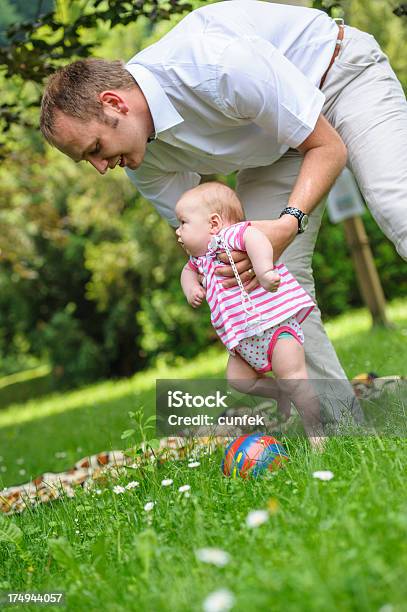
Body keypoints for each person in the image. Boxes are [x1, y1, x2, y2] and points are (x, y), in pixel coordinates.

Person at [39, 1, 407, 419]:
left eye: (96, 150)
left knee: (397, 207)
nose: (101, 168)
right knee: (255, 275)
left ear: (115, 104)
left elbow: (327, 147)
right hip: (275, 146)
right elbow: (211, 249)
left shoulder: (213, 66)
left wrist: (289, 224)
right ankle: (341, 426)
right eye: (88, 161)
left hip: (340, 76)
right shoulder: (142, 162)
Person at [176, 181, 324, 448]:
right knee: (238, 380)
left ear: (213, 223)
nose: (177, 231)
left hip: (274, 328)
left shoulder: (228, 236)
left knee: (293, 377)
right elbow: (186, 273)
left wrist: (264, 269)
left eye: (183, 223)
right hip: (243, 342)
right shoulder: (198, 260)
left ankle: (317, 433)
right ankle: (278, 391)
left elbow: (254, 238)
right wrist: (191, 289)